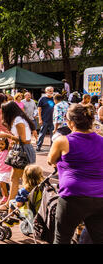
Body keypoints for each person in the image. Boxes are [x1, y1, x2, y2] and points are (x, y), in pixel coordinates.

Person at [47, 104, 103, 244]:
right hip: (99, 196)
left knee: (62, 238)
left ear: (71, 123)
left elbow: (50, 160)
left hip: (72, 195)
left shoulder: (62, 141)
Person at [0, 101, 37, 212]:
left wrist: (6, 135)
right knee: (17, 178)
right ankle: (13, 204)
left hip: (23, 151)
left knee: (19, 179)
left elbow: (24, 140)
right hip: (21, 149)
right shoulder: (18, 119)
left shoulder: (18, 121)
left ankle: (13, 205)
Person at [36, 86, 55, 152]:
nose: (50, 92)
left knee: (53, 134)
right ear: (46, 91)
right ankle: (38, 146)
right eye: (49, 90)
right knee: (42, 134)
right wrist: (40, 119)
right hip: (44, 119)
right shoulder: (42, 99)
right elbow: (39, 109)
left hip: (53, 120)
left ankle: (53, 147)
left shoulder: (54, 99)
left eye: (52, 90)